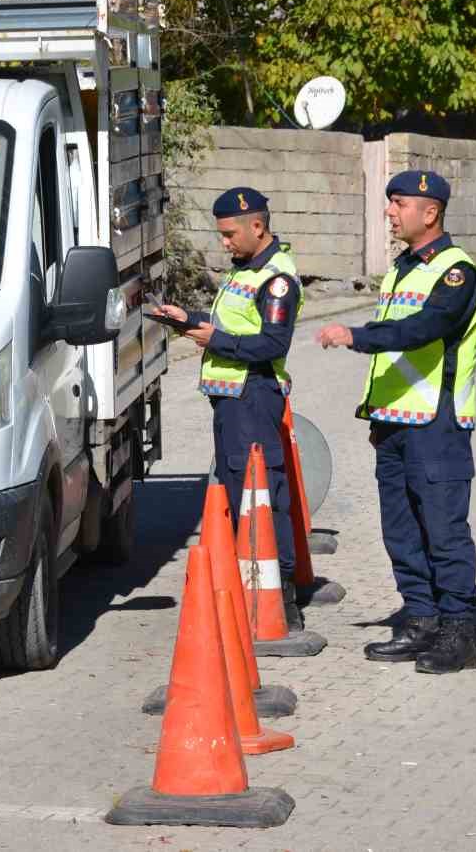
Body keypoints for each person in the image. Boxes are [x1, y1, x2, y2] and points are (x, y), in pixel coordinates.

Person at [316, 169, 476, 675]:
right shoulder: (402, 268)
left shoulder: (457, 273)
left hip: (438, 424)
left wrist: (355, 335)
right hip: (394, 423)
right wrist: (375, 412)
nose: (389, 212)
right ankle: (420, 619)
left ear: (429, 212)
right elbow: (393, 350)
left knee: (443, 528)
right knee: (400, 529)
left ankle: (459, 631)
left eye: (397, 204)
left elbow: (422, 331)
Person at [154, 186, 306, 626]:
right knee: (240, 493)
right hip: (232, 401)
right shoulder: (245, 270)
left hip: (253, 396)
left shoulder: (276, 278)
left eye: (229, 234)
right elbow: (232, 323)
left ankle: (284, 599)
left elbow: (274, 343)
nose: (223, 243)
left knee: (260, 495)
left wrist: (214, 340)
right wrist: (190, 320)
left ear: (257, 226)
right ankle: (254, 588)